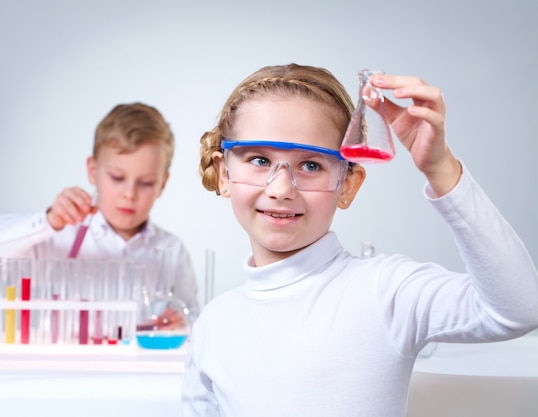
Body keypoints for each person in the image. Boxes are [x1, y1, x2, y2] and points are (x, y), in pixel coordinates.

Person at [181, 64, 538, 416]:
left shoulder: (385, 292)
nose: (280, 188)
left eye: (310, 165)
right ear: (224, 173)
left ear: (347, 184)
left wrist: (440, 166)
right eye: (260, 160)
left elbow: (518, 309)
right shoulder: (214, 324)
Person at [0, 103, 199, 325]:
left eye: (146, 183)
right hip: (67, 361)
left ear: (163, 184)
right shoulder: (59, 236)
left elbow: (193, 320)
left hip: (138, 361)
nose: (129, 194)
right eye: (117, 178)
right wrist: (49, 220)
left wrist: (181, 325)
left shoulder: (172, 251)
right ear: (93, 171)